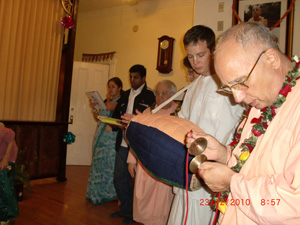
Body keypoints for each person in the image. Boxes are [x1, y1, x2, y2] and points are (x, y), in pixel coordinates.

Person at [186, 22, 300, 224]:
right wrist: (223, 154)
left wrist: (231, 182)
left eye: (240, 82)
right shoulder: (260, 103)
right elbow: (253, 166)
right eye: (230, 88)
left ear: (271, 59)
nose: (237, 98)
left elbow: (292, 204)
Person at [167, 25, 245, 225]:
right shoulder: (193, 86)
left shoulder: (227, 83)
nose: (195, 62)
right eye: (191, 57)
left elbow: (238, 126)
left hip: (215, 169)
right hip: (189, 166)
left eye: (200, 55)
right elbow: (183, 122)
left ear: (213, 50)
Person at [127, 80, 180, 225]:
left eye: (164, 93)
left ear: (173, 95)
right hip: (146, 163)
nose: (160, 96)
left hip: (167, 165)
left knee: (163, 205)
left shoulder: (180, 111)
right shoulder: (148, 111)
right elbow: (136, 137)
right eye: (157, 93)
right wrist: (132, 160)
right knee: (145, 202)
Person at [111, 64, 155, 224]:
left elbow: (150, 122)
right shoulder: (125, 94)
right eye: (130, 76)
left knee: (136, 182)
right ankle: (125, 209)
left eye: (135, 77)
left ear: (143, 78)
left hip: (137, 147)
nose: (132, 80)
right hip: (122, 143)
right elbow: (117, 116)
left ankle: (133, 214)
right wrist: (116, 123)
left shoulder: (150, 96)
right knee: (119, 178)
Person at [86, 77, 123, 205]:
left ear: (119, 88)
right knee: (99, 164)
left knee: (109, 165)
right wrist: (94, 108)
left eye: (113, 86)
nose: (110, 89)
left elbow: (109, 108)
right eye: (109, 86)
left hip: (111, 138)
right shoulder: (106, 101)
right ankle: (97, 193)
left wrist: (104, 100)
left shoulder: (119, 102)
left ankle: (111, 193)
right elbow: (98, 118)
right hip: (100, 135)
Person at [0, 122, 19, 224]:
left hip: (8, 158)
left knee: (4, 188)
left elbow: (11, 134)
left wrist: (6, 159)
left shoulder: (2, 130)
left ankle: (6, 216)